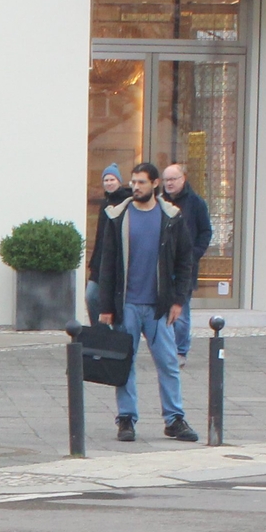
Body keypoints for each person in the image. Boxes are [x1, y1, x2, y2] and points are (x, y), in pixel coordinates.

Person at [91, 162, 201, 444]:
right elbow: (107, 263)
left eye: (142, 182)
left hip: (158, 306)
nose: (136, 186)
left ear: (155, 184)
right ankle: (126, 419)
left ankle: (174, 419)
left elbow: (184, 260)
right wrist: (106, 307)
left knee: (168, 362)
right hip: (125, 304)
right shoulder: (118, 216)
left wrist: (178, 300)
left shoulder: (171, 217)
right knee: (124, 363)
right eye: (134, 181)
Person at [161, 162, 214, 359]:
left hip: (185, 266)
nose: (169, 183)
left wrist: (194, 254)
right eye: (166, 180)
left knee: (181, 311)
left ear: (183, 179)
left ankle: (180, 351)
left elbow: (206, 231)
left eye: (173, 179)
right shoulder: (159, 202)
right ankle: (166, 348)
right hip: (163, 264)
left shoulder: (196, 203)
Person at [86, 164, 123, 323]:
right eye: (106, 180)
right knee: (91, 296)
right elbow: (100, 236)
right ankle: (99, 330)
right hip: (100, 260)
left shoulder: (125, 202)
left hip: (115, 261)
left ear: (119, 181)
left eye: (112, 179)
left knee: (112, 300)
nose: (109, 183)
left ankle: (113, 333)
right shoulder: (103, 204)